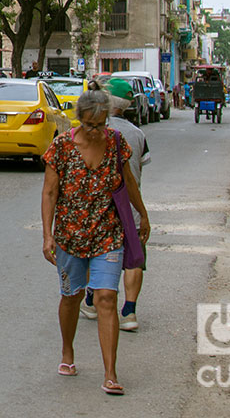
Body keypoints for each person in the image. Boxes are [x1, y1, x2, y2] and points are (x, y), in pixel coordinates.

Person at [41, 87, 149, 396]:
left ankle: (110, 373)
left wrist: (142, 214)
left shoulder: (116, 143)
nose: (96, 131)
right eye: (90, 125)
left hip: (107, 232)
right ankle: (67, 352)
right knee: (72, 296)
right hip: (70, 235)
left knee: (105, 297)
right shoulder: (61, 147)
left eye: (101, 124)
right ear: (80, 121)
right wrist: (47, 235)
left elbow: (128, 182)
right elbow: (49, 192)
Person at [78, 78, 147, 331]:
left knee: (94, 253)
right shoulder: (137, 134)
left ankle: (91, 299)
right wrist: (142, 212)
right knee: (134, 258)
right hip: (129, 208)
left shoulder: (95, 134)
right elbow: (135, 174)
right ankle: (129, 311)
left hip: (101, 209)